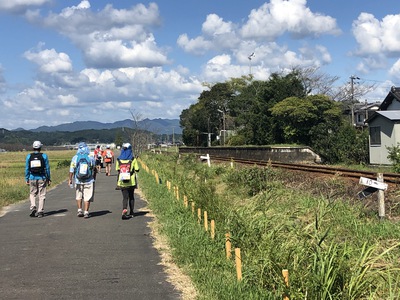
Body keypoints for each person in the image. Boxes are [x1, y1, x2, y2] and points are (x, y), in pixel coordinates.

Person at [68, 142, 96, 218]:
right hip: (89, 180)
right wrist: (94, 177)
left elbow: (71, 169)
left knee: (78, 195)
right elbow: (93, 168)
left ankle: (79, 210)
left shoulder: (75, 157)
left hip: (78, 180)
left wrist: (70, 179)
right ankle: (86, 211)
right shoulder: (90, 157)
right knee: (87, 196)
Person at [25, 141, 51, 218]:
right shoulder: (44, 156)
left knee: (32, 193)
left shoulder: (29, 156)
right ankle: (40, 211)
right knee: (42, 194)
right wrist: (48, 178)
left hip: (32, 177)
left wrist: (27, 178)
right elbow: (47, 168)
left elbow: (27, 168)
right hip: (42, 177)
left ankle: (33, 207)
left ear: (33, 147)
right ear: (40, 148)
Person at [116, 143, 139, 220]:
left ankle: (124, 210)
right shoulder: (133, 159)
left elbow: (117, 169)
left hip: (122, 181)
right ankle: (132, 212)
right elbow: (137, 169)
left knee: (125, 197)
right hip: (131, 181)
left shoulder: (119, 159)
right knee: (131, 196)